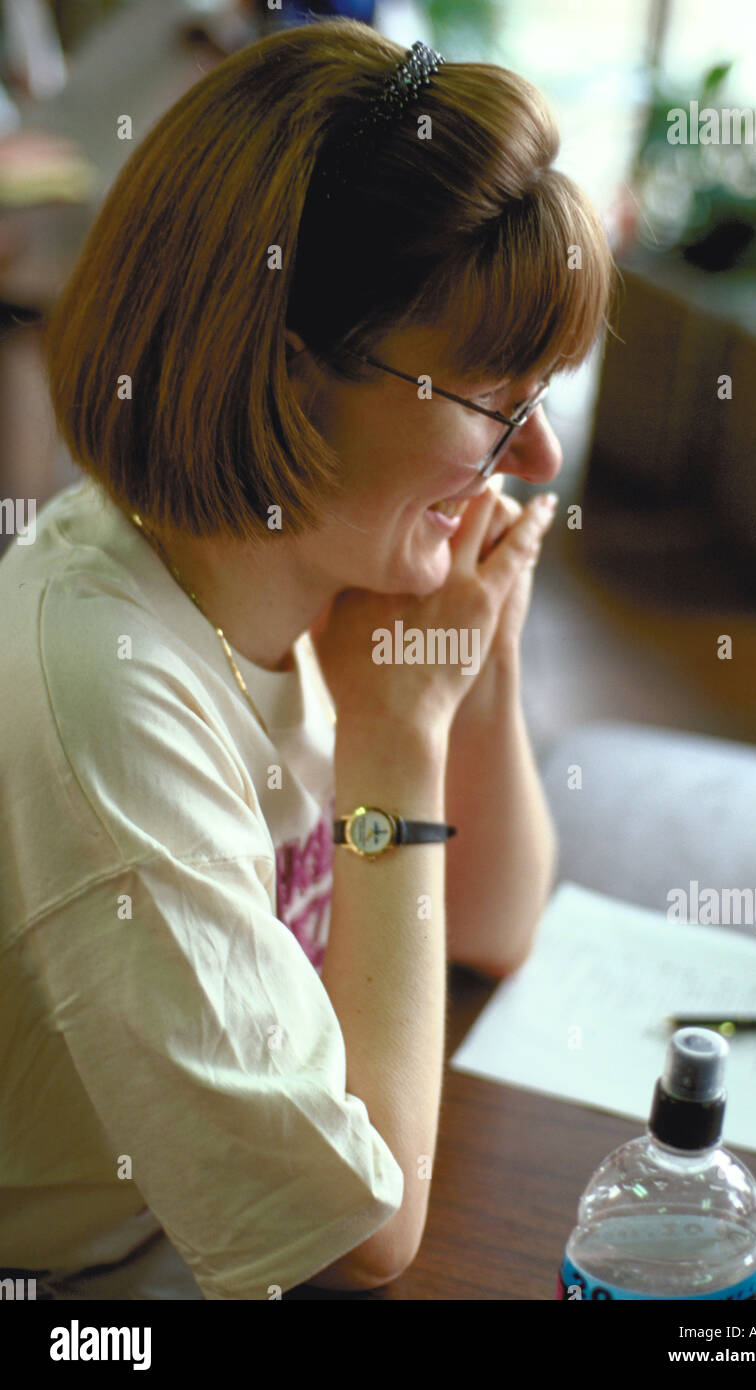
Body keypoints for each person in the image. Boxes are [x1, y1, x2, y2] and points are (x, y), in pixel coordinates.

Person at [0, 19, 613, 1300]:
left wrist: (458, 670)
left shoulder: (335, 564)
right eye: (496, 397)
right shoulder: (106, 677)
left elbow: (492, 928)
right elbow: (351, 1238)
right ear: (289, 374)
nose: (538, 457)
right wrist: (390, 751)